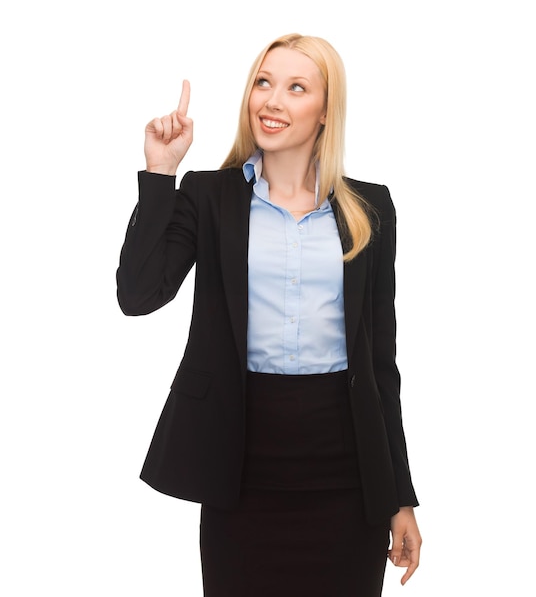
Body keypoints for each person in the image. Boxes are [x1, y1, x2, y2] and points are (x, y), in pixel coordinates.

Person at [117, 33, 422, 596]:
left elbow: (382, 368)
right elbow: (138, 295)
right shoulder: (209, 197)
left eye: (296, 87)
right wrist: (160, 174)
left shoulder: (370, 208)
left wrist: (399, 496)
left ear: (326, 111)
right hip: (239, 463)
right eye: (263, 82)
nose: (272, 100)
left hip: (347, 473)